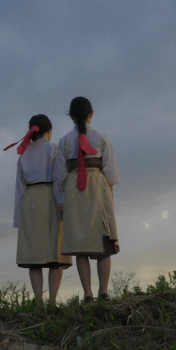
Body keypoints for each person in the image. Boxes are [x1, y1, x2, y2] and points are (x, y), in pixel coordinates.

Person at [55, 97, 120, 303]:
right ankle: (103, 292)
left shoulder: (64, 141)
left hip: (75, 190)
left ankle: (88, 294)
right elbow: (110, 172)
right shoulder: (102, 138)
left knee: (80, 243)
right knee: (103, 242)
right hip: (98, 188)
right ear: (92, 113)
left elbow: (60, 175)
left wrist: (64, 199)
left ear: (71, 117)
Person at [5, 114, 73, 309]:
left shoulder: (24, 154)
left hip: (29, 200)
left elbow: (19, 188)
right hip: (50, 196)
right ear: (48, 131)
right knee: (55, 255)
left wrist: (19, 217)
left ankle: (38, 302)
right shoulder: (53, 148)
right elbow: (60, 176)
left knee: (34, 256)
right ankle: (52, 301)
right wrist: (64, 205)